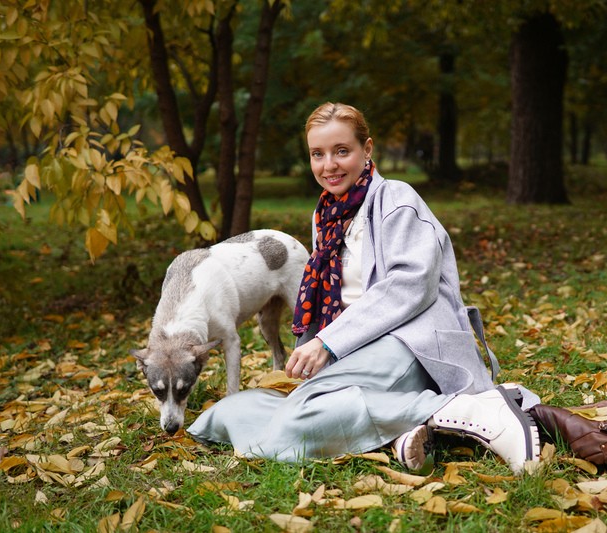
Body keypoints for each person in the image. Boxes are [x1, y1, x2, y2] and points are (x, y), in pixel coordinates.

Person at [187, 102, 541, 474]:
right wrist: (327, 344)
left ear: (367, 149)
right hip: (355, 348)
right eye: (317, 155)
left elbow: (411, 287)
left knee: (299, 417)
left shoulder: (397, 200)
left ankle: (465, 408)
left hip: (409, 343)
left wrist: (327, 342)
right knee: (225, 415)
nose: (329, 165)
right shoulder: (325, 214)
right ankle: (402, 432)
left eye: (342, 151)